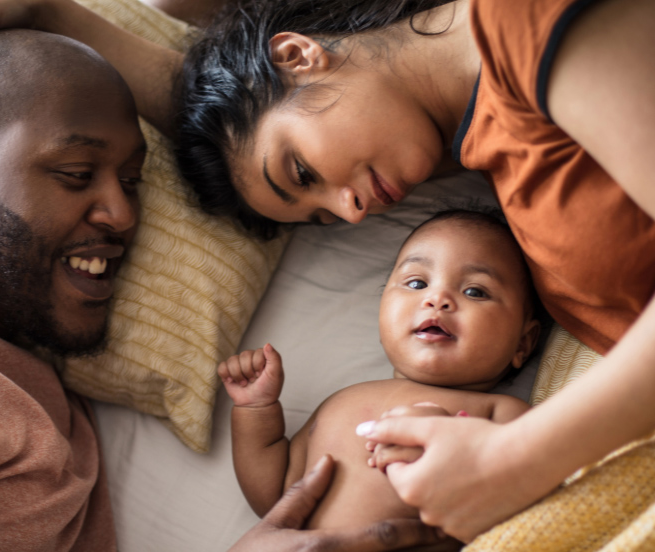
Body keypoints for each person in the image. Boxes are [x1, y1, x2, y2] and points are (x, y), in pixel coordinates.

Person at [0, 0, 655, 543]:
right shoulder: (458, 127)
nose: (353, 211)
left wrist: (520, 459)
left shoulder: (523, 23)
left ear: (299, 54)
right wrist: (55, 15)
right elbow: (233, 102)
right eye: (322, 215)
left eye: (302, 171)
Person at [0, 27, 466, 552]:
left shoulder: (6, 342)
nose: (121, 215)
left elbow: (260, 110)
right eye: (75, 173)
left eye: (131, 182)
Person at [218, 210, 540, 529]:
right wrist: (256, 410)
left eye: (475, 291)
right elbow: (275, 500)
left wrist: (449, 448)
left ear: (522, 344)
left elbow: (524, 508)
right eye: (416, 282)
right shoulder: (339, 404)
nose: (437, 298)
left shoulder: (504, 415)